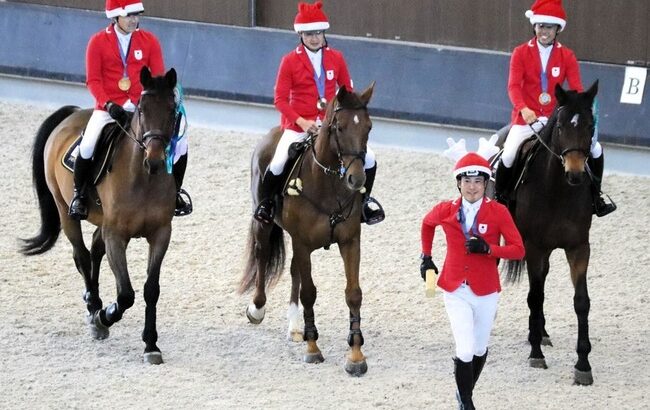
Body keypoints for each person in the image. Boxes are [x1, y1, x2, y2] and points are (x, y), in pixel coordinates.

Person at [253, 0, 384, 225]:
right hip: (298, 125)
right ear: (301, 35)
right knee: (278, 161)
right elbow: (280, 100)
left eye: (318, 33)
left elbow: (347, 93)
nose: (314, 38)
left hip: (331, 125)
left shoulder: (337, 58)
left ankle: (364, 205)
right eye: (308, 34)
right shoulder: (289, 61)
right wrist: (302, 122)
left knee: (369, 158)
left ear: (324, 33)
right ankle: (267, 205)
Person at [420, 151, 525, 410]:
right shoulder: (445, 209)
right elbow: (426, 223)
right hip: (455, 289)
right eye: (467, 182)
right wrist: (426, 256)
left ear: (485, 183)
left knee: (479, 349)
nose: (472, 187)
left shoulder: (499, 212)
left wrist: (490, 250)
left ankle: (463, 392)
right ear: (459, 183)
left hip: (487, 290)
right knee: (465, 350)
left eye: (478, 181)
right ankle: (467, 403)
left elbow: (518, 249)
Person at [69, 0, 192, 220]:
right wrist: (108, 104)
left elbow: (157, 78)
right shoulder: (97, 42)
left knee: (181, 142)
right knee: (87, 144)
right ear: (116, 17)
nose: (134, 20)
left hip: (140, 108)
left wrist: (151, 103)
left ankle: (176, 191)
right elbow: (93, 81)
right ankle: (79, 195)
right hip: (109, 108)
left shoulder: (149, 41)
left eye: (137, 16)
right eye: (129, 16)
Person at [495, 0, 616, 217]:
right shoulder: (521, 52)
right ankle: (501, 198)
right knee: (510, 153)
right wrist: (523, 108)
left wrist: (580, 106)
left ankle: (596, 198)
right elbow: (513, 86)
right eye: (540, 26)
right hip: (528, 119)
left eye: (549, 27)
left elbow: (577, 88)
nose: (544, 31)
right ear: (534, 26)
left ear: (557, 29)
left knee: (596, 149)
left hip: (557, 117)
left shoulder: (566, 55)